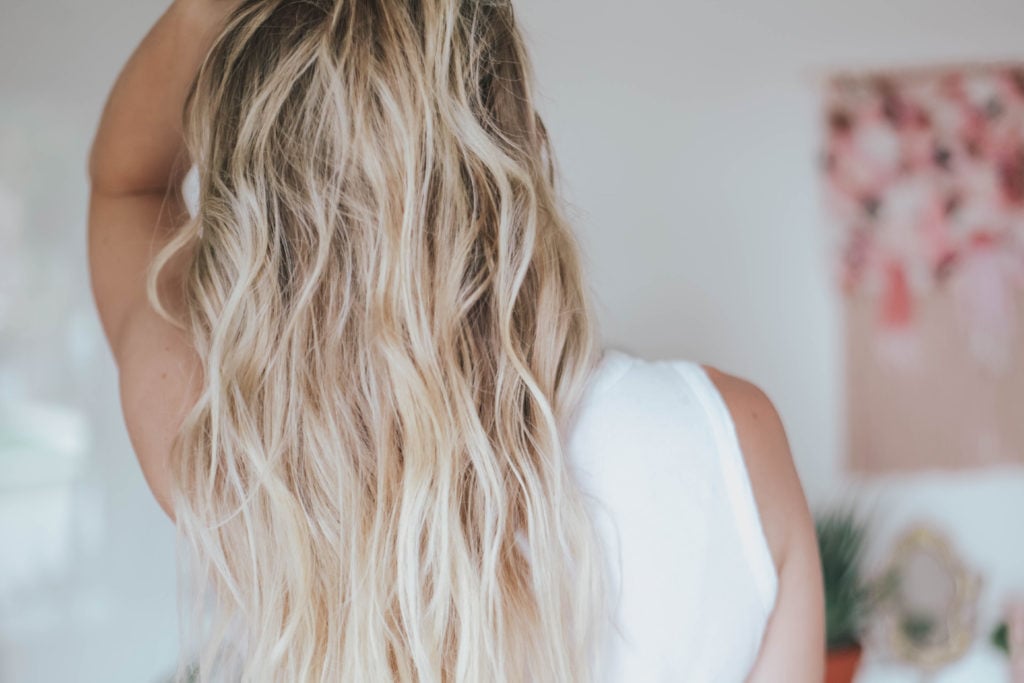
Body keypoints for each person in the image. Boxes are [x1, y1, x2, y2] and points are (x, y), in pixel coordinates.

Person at [86, 0, 825, 680]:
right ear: (524, 154)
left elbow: (127, 186)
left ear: (256, 233)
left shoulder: (243, 475)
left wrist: (201, 12)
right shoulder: (730, 445)